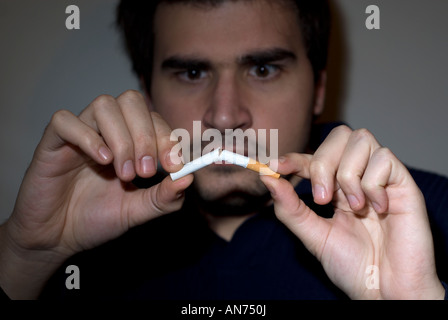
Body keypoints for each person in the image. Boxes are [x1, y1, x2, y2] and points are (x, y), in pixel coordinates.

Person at [0, 0, 447, 300]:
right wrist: (26, 255)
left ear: (319, 88)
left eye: (264, 68)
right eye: (193, 72)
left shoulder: (429, 215)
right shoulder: (80, 241)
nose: (225, 115)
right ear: (147, 92)